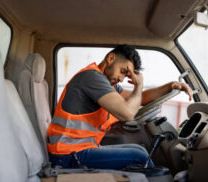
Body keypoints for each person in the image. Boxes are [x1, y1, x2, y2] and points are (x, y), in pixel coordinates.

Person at [47, 44, 193, 170]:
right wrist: (139, 85)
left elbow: (141, 99)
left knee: (139, 149)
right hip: (67, 156)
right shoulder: (92, 78)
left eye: (127, 75)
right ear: (111, 58)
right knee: (140, 156)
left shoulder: (105, 83)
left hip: (77, 150)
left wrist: (171, 86)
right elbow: (127, 113)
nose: (122, 79)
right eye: (123, 71)